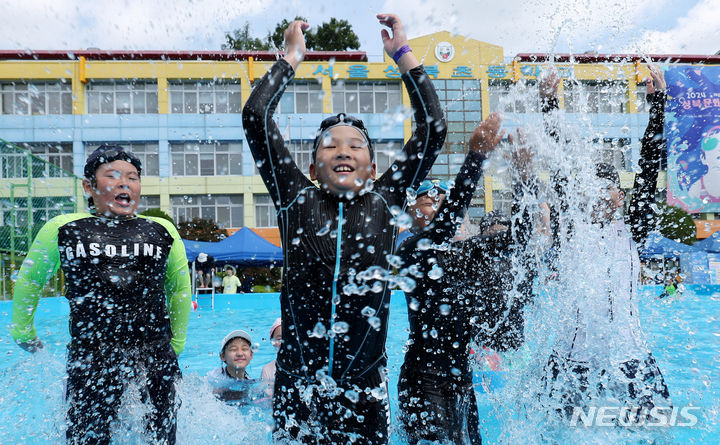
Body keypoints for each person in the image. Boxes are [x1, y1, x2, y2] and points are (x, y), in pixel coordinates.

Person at [242, 14, 445, 444]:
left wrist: (402, 54)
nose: (342, 150)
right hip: (298, 385)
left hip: (364, 389)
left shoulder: (386, 202)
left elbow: (434, 128)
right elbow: (256, 116)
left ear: (372, 168)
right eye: (330, 145)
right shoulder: (295, 198)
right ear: (313, 167)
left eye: (355, 145)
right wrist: (290, 58)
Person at [10, 144, 191, 445]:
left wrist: (177, 343)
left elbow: (180, 290)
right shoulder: (64, 228)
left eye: (132, 177)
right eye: (113, 176)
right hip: (92, 357)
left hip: (154, 355)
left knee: (160, 436)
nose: (125, 184)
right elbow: (30, 280)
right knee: (87, 437)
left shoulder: (161, 229)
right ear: (88, 186)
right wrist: (23, 330)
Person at [396, 114, 538, 444]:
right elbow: (445, 225)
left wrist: (523, 177)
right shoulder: (411, 249)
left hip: (460, 376)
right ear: (411, 213)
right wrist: (475, 158)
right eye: (428, 202)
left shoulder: (464, 253)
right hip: (423, 378)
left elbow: (519, 236)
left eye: (441, 201)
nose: (438, 206)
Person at [541, 66, 671, 420]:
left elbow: (648, 165)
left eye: (609, 186)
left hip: (630, 355)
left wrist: (657, 104)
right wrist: (549, 104)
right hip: (572, 358)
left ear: (621, 195)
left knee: (657, 427)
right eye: (591, 188)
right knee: (554, 431)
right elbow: (558, 163)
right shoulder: (571, 230)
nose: (600, 194)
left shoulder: (632, 231)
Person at [208, 329, 256, 403]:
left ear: (251, 355)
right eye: (233, 349)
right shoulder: (213, 378)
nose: (240, 354)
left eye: (244, 349)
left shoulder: (250, 382)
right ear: (223, 356)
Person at [261, 318, 282, 397]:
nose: (284, 342)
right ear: (272, 341)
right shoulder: (267, 370)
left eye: (289, 338)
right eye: (279, 339)